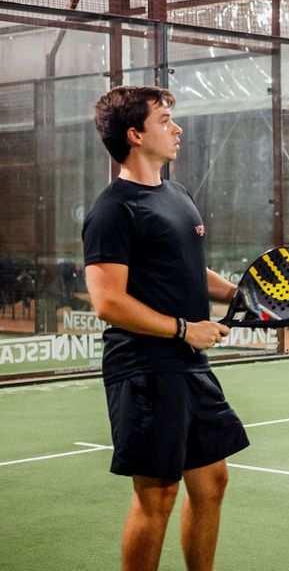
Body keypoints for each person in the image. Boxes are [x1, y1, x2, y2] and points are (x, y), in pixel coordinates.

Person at [83, 86, 249, 571]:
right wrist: (183, 329)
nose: (177, 129)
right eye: (165, 120)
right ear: (135, 135)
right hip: (144, 369)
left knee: (211, 480)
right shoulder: (113, 209)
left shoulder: (175, 194)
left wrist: (240, 293)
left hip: (187, 365)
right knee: (158, 494)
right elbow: (108, 300)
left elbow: (187, 269)